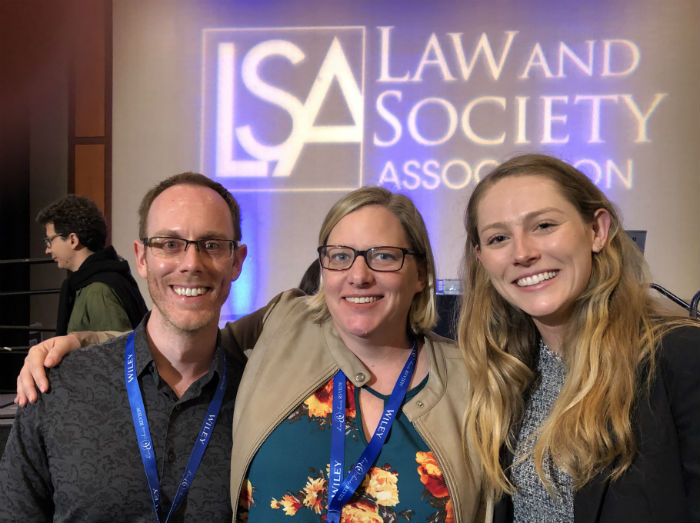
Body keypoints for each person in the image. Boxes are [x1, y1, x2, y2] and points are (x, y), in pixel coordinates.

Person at [15, 187, 485, 522]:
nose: (358, 274)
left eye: (383, 255)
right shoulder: (291, 322)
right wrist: (81, 345)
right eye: (340, 256)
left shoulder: (474, 382)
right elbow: (190, 335)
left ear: (421, 271)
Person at [458, 153, 700, 522]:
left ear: (597, 230)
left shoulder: (681, 356)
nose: (523, 253)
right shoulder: (507, 374)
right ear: (481, 257)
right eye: (499, 238)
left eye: (543, 225)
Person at [1, 173, 247, 521]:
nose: (192, 263)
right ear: (142, 257)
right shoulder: (58, 387)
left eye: (211, 244)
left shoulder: (260, 399)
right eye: (170, 244)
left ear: (236, 261)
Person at [36, 194, 147, 334]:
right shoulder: (100, 279)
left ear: (72, 240)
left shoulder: (99, 290)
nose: (48, 249)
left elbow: (117, 350)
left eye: (50, 241)